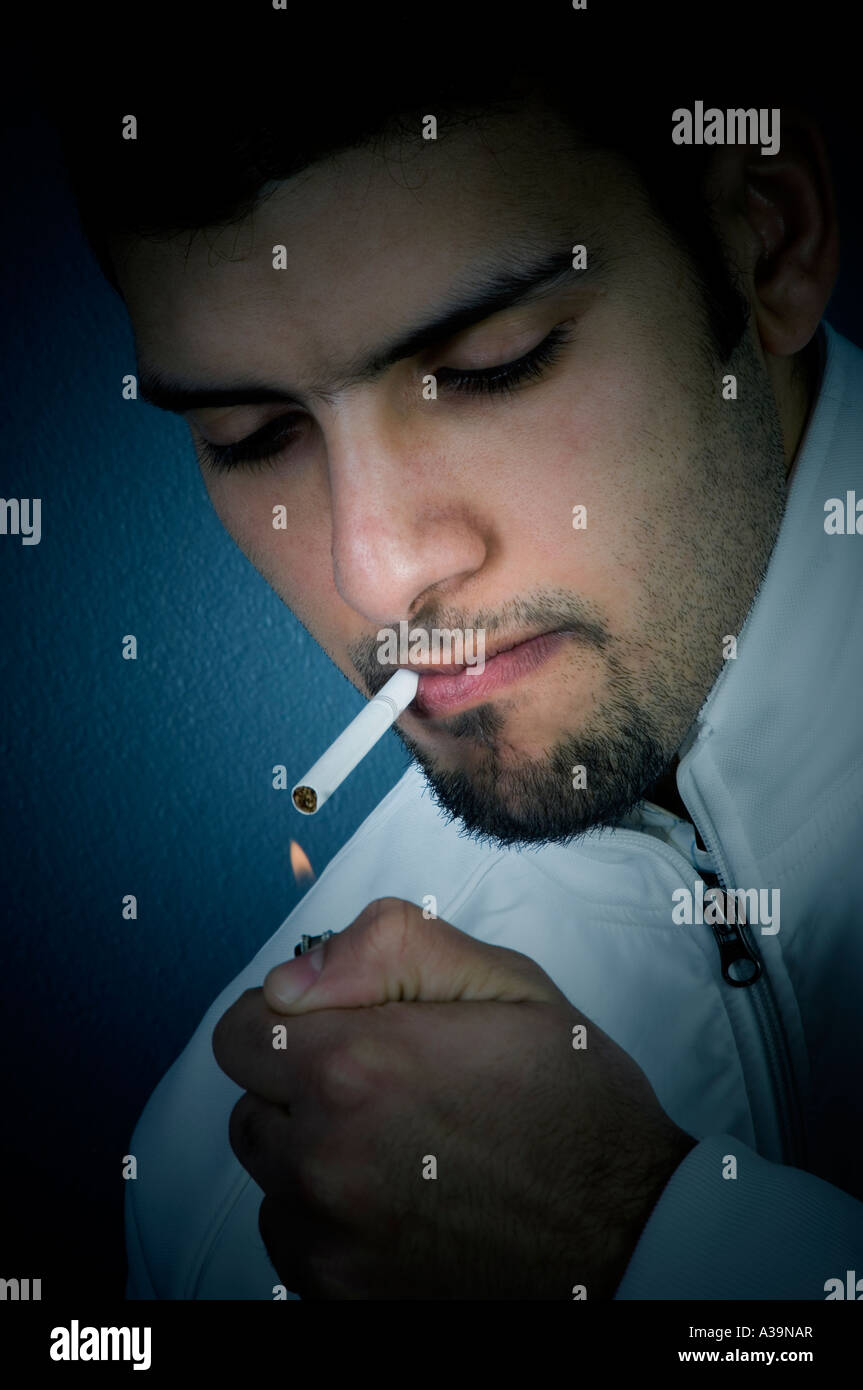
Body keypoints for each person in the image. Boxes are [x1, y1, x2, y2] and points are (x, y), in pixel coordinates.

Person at [58, 37, 863, 1299]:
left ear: (765, 239)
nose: (374, 576)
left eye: (489, 366)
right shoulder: (221, 1183)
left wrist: (650, 1242)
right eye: (252, 436)